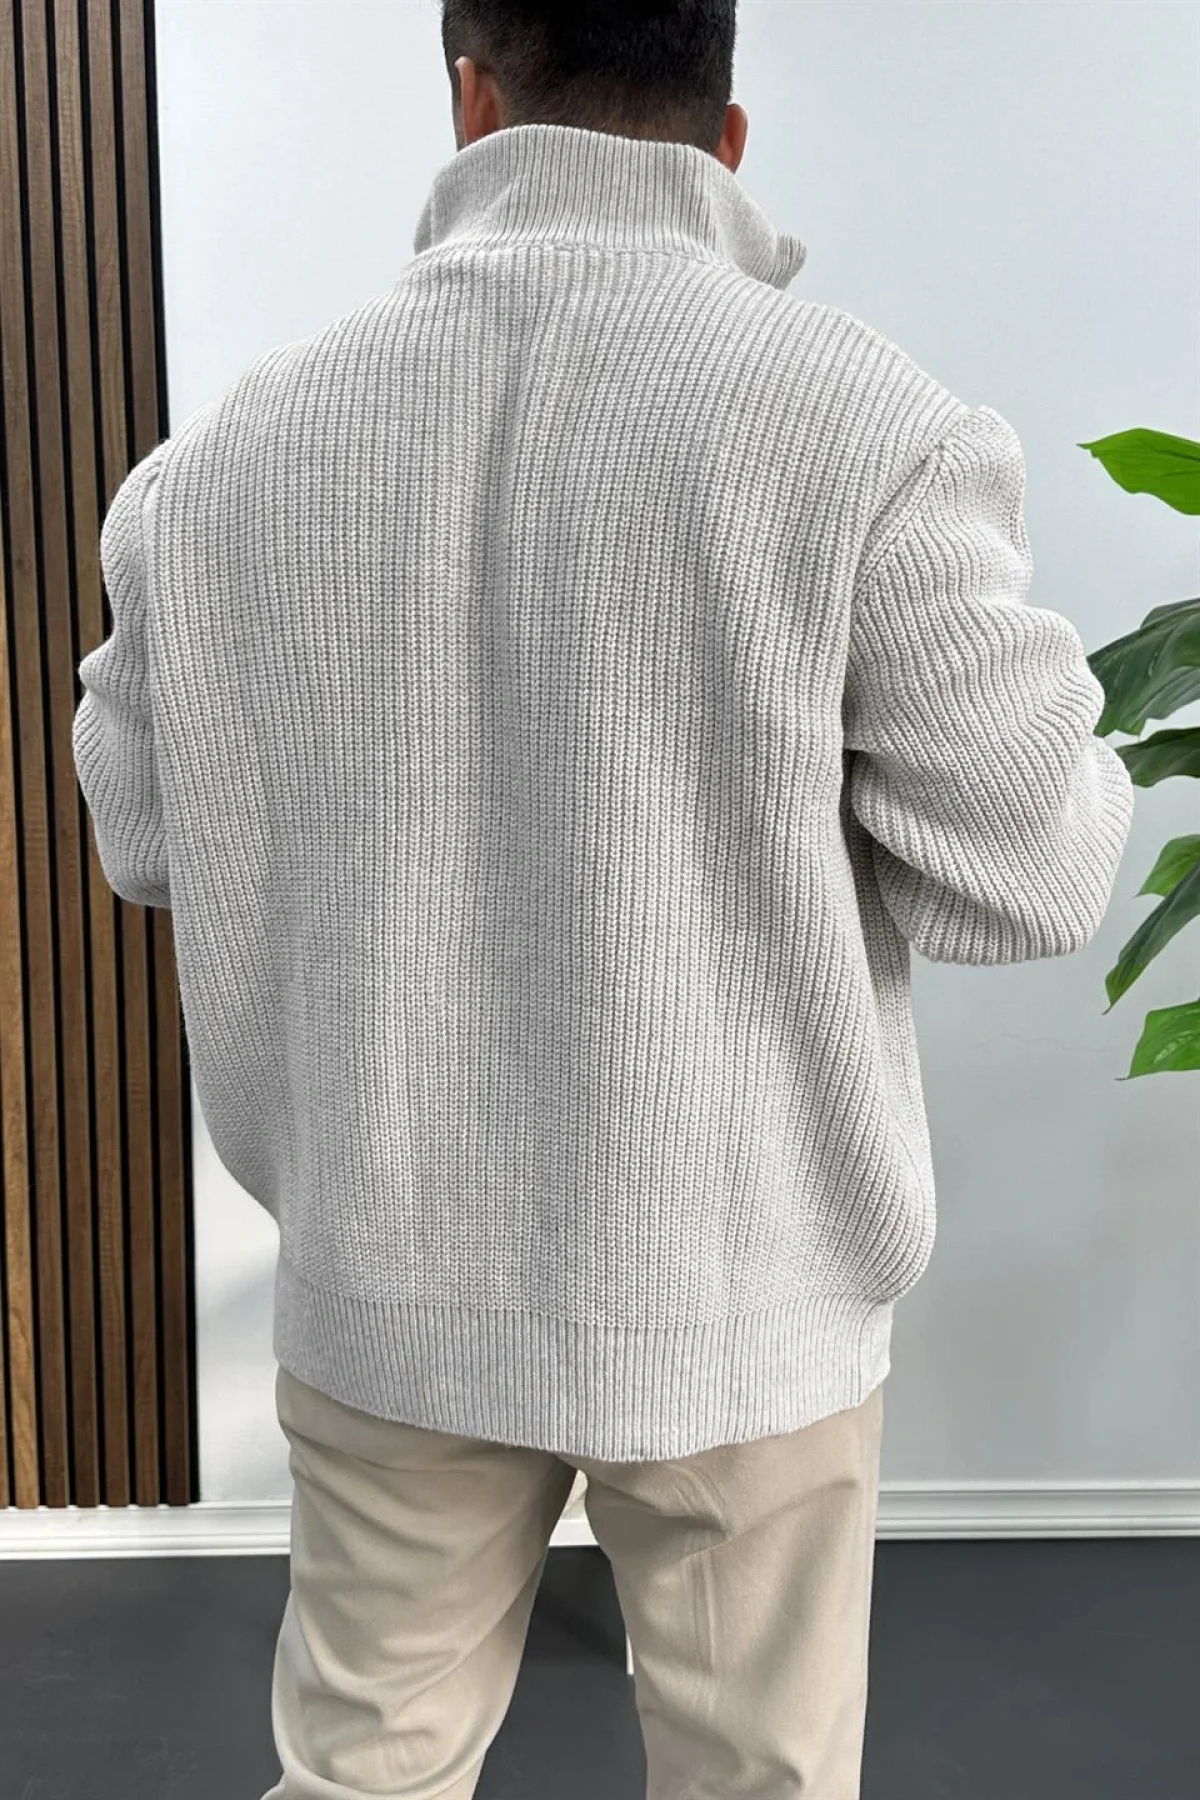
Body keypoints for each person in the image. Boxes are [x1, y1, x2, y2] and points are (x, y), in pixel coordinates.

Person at [72, 2, 1135, 1795]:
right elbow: (1040, 867)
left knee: (361, 1775)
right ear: (728, 135)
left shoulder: (227, 460)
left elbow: (144, 840)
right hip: (745, 1286)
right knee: (758, 1782)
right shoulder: (864, 427)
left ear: (471, 98)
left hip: (390, 1261)